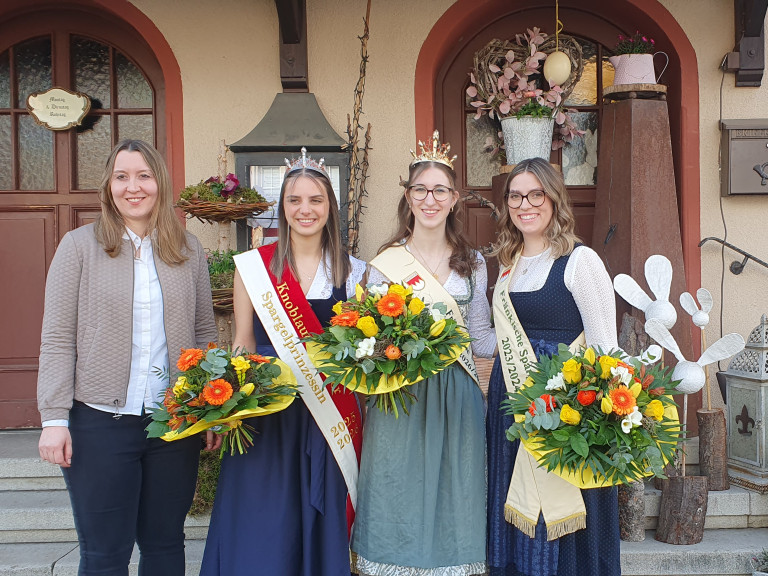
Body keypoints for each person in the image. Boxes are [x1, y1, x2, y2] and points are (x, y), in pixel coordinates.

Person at [37, 139, 218, 575]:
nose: (132, 187)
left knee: (165, 547)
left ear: (160, 183)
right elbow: (58, 337)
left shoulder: (189, 250)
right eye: (122, 177)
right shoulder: (78, 247)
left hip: (172, 423)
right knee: (105, 554)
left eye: (144, 176)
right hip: (99, 422)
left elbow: (205, 334)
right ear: (108, 186)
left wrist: (211, 412)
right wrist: (54, 419)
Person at [200, 149, 365, 576]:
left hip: (327, 411)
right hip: (267, 411)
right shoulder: (253, 269)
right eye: (295, 200)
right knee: (263, 520)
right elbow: (242, 344)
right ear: (283, 207)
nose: (305, 209)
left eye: (316, 200)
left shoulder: (357, 272)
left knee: (322, 516)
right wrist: (224, 413)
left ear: (330, 207)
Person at [351, 131, 496, 576]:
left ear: (454, 198)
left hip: (459, 393)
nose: (429, 199)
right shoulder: (384, 263)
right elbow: (366, 342)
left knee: (457, 489)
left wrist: (540, 336)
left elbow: (482, 338)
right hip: (399, 397)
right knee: (397, 485)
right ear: (408, 197)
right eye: (420, 190)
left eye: (439, 191)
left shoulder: (473, 262)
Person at [486, 157, 620, 576]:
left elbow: (605, 347)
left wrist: (601, 419)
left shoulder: (582, 261)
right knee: (519, 504)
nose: (524, 204)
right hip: (511, 402)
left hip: (565, 406)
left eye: (535, 194)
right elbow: (497, 337)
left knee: (560, 513)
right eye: (515, 196)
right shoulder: (508, 263)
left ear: (553, 198)